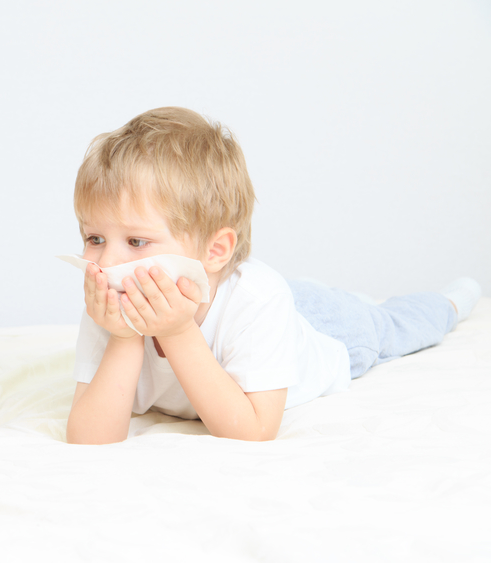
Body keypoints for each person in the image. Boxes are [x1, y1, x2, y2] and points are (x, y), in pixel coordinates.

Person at [65, 107, 482, 445]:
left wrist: (176, 333)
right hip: (280, 308)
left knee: (389, 324)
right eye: (95, 237)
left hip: (325, 327)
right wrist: (124, 339)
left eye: (136, 242)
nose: (106, 262)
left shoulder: (259, 299)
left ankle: (450, 302)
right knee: (307, 296)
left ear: (214, 251)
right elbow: (88, 440)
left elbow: (254, 431)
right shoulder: (110, 300)